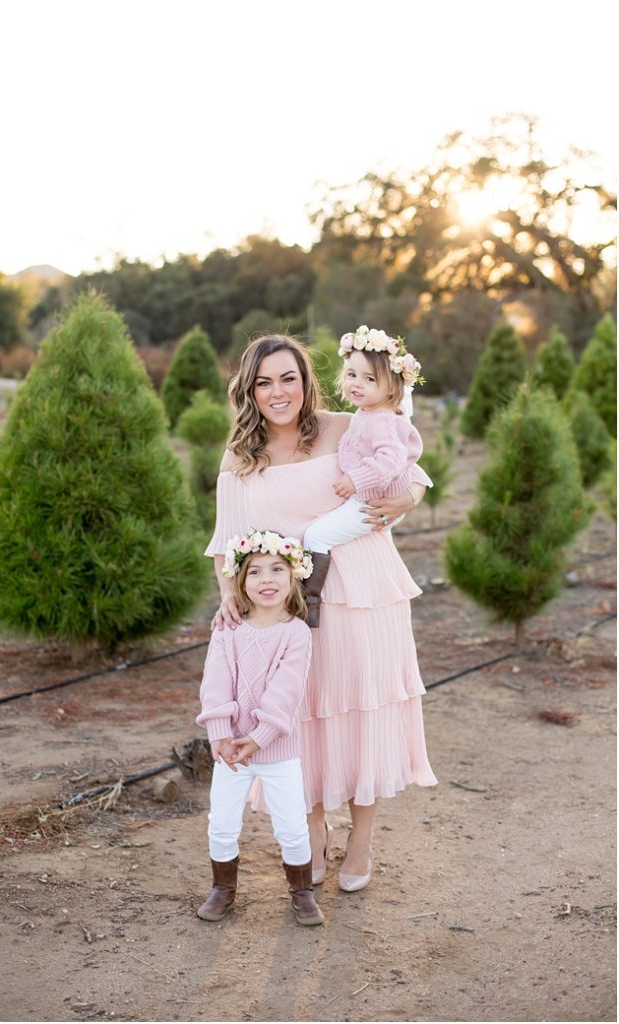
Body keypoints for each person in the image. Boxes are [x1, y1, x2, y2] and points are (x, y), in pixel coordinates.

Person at [207, 333, 437, 894]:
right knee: (301, 718)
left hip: (364, 591)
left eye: (289, 378)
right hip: (287, 607)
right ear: (250, 390)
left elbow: (408, 466)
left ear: (307, 381)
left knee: (362, 710)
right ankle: (311, 836)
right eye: (264, 382)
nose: (278, 392)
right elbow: (226, 542)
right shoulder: (241, 456)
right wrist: (227, 597)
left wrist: (407, 498)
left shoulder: (344, 425)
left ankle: (361, 841)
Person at [196, 529, 324, 926]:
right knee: (222, 822)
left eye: (276, 570)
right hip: (231, 750)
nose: (266, 580)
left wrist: (260, 737)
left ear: (293, 578)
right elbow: (214, 680)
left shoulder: (296, 634)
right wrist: (220, 733)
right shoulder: (228, 629)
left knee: (291, 824)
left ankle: (301, 893)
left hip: (277, 751)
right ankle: (223, 889)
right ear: (239, 581)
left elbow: (287, 692)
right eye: (254, 572)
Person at [302, 325, 425, 626]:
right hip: (373, 500)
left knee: (316, 535)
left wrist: (357, 479)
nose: (356, 384)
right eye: (351, 374)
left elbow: (392, 459)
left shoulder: (380, 419)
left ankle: (308, 601)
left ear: (392, 389)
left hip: (370, 503)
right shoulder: (367, 413)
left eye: (369, 379)